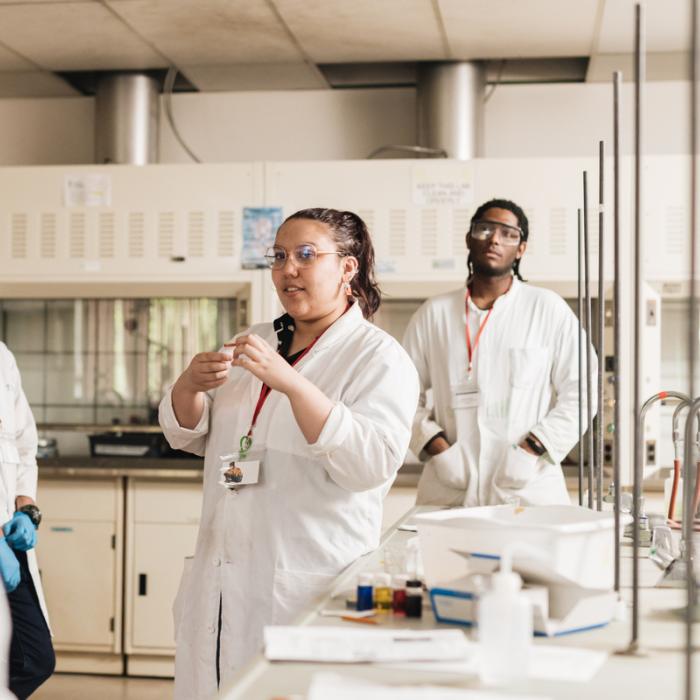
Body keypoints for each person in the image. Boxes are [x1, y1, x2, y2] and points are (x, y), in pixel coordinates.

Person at [160, 208, 419, 699]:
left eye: (305, 255)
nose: (287, 269)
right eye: (278, 256)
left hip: (303, 583)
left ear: (349, 267)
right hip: (219, 580)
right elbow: (188, 434)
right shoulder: (256, 339)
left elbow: (371, 464)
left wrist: (293, 385)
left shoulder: (378, 357)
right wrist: (190, 384)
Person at [403, 198, 596, 507]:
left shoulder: (547, 309)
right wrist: (436, 446)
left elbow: (584, 392)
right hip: (450, 488)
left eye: (508, 233)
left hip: (527, 490)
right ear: (469, 238)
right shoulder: (433, 314)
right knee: (445, 555)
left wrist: (533, 447)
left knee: (527, 557)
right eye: (485, 229)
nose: (494, 239)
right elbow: (400, 397)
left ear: (521, 249)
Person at [0, 342, 54, 699]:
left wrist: (26, 509)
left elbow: (23, 445)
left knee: (34, 659)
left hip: (7, 534)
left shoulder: (2, 357)